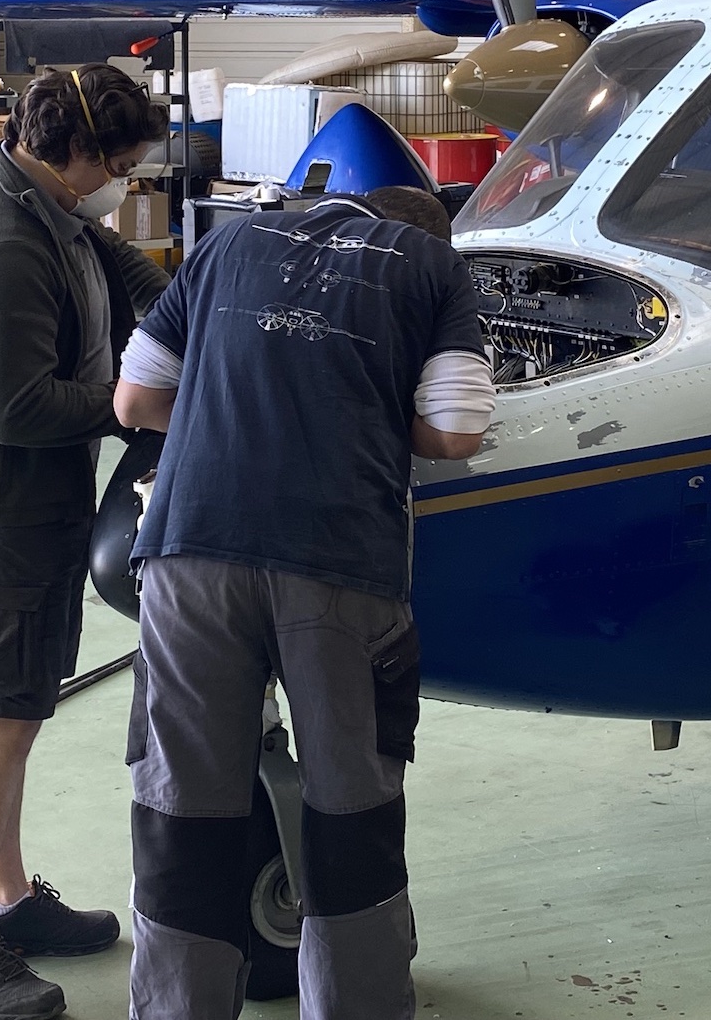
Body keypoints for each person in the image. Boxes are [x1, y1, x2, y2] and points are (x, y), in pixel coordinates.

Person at [112, 186, 497, 1020]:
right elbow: (458, 431)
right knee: (347, 812)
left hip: (190, 556)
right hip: (336, 563)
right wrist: (358, 410)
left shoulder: (226, 244)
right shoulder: (431, 264)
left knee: (183, 812)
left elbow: (135, 402)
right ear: (420, 234)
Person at [0, 63, 170, 1020]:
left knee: (21, 703)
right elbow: (14, 410)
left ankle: (7, 902)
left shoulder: (35, 189)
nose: (122, 187)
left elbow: (110, 259)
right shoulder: (4, 237)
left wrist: (194, 305)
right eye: (121, 167)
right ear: (77, 154)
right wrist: (134, 405)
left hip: (32, 492)